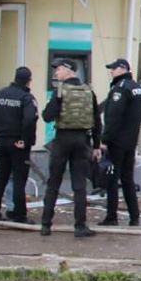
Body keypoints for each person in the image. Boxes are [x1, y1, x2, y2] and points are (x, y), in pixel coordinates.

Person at [39, 59, 100, 238]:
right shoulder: (89, 91)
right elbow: (97, 121)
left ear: (68, 70)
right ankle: (80, 226)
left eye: (58, 69)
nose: (56, 73)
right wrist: (96, 145)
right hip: (83, 140)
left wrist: (57, 101)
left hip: (62, 140)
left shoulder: (59, 91)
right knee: (79, 185)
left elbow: (47, 116)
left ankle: (45, 225)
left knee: (53, 183)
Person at [0, 66, 38, 223]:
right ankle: (19, 214)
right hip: (18, 144)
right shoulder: (26, 98)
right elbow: (29, 119)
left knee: (1, 178)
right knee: (19, 179)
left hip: (2, 142)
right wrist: (24, 139)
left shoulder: (0, 94)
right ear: (29, 81)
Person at [99, 58, 141, 227]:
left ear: (122, 69)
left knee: (112, 179)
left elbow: (113, 117)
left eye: (113, 68)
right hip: (131, 141)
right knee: (128, 180)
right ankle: (134, 216)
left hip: (117, 142)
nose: (111, 71)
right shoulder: (137, 88)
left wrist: (104, 139)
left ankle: (112, 217)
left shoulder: (120, 88)